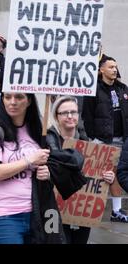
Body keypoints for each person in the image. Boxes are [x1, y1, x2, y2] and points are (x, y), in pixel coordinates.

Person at [0, 93, 52, 244]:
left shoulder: (39, 131)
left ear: (29, 100)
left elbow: (49, 164)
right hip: (5, 214)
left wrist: (48, 172)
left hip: (38, 212)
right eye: (7, 97)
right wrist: (29, 160)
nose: (12, 102)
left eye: (19, 97)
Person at [47, 96, 115, 244]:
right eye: (64, 113)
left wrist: (107, 177)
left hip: (82, 211)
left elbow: (96, 175)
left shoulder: (88, 145)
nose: (70, 116)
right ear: (56, 117)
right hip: (54, 210)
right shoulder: (48, 142)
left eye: (74, 112)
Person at [82, 55, 128, 222]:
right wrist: (94, 137)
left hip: (121, 139)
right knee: (99, 175)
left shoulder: (123, 89)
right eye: (110, 67)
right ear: (101, 70)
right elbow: (87, 115)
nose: (114, 69)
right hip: (102, 140)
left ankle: (116, 211)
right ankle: (85, 209)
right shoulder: (93, 90)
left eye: (115, 66)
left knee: (113, 174)